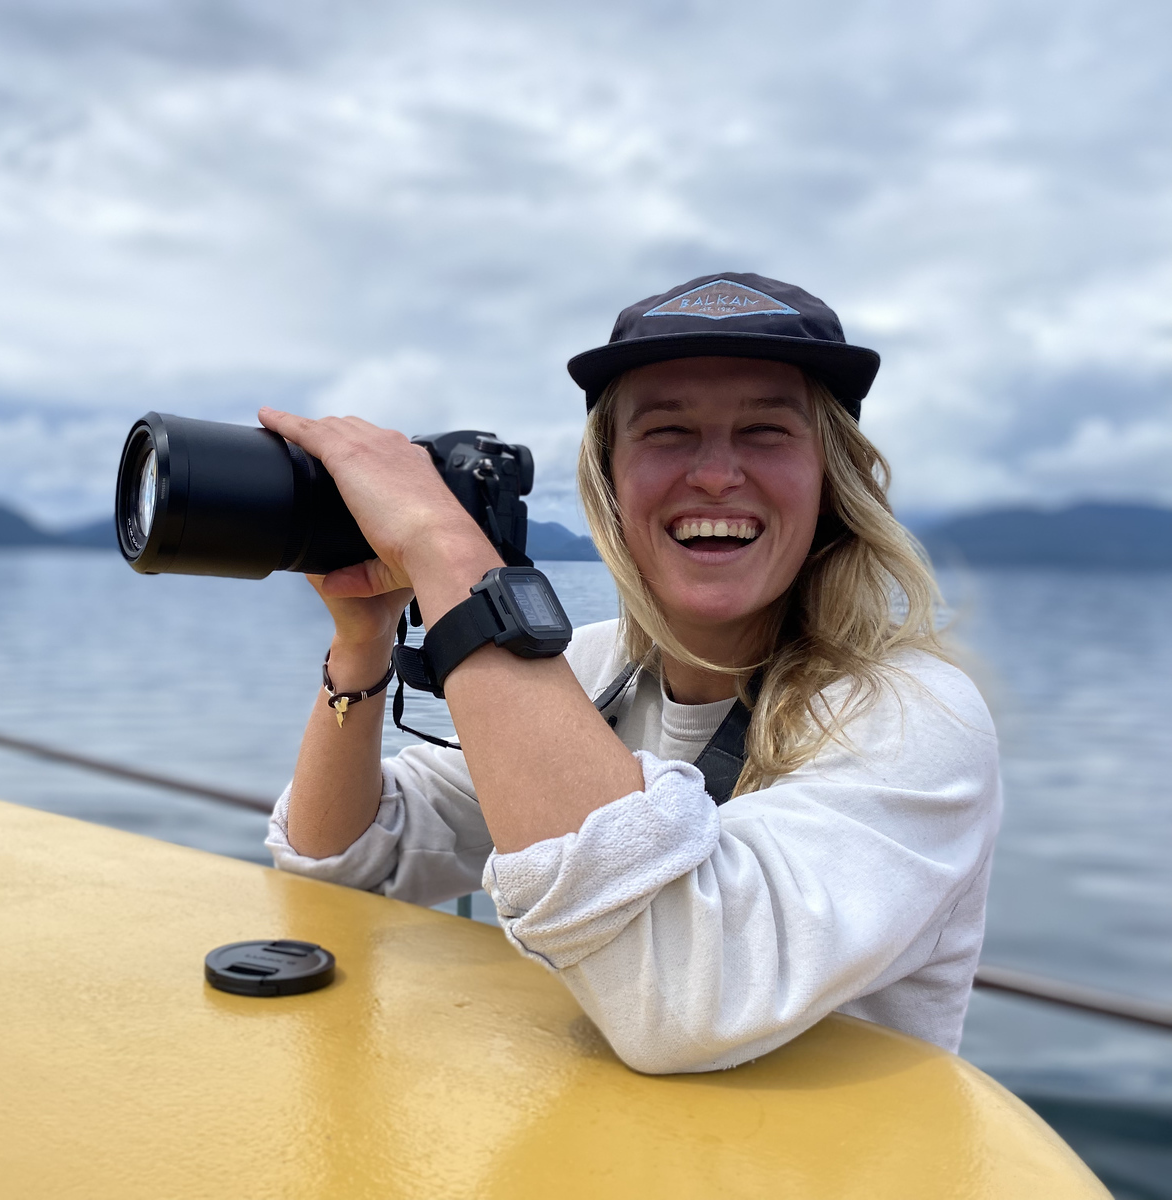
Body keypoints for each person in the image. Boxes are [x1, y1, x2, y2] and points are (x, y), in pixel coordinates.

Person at [257, 272, 1001, 1075]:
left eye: (765, 432)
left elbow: (684, 997)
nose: (716, 475)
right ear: (609, 480)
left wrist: (442, 544)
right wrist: (362, 638)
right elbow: (342, 862)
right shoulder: (585, 668)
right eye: (667, 433)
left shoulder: (912, 715)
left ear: (832, 483)